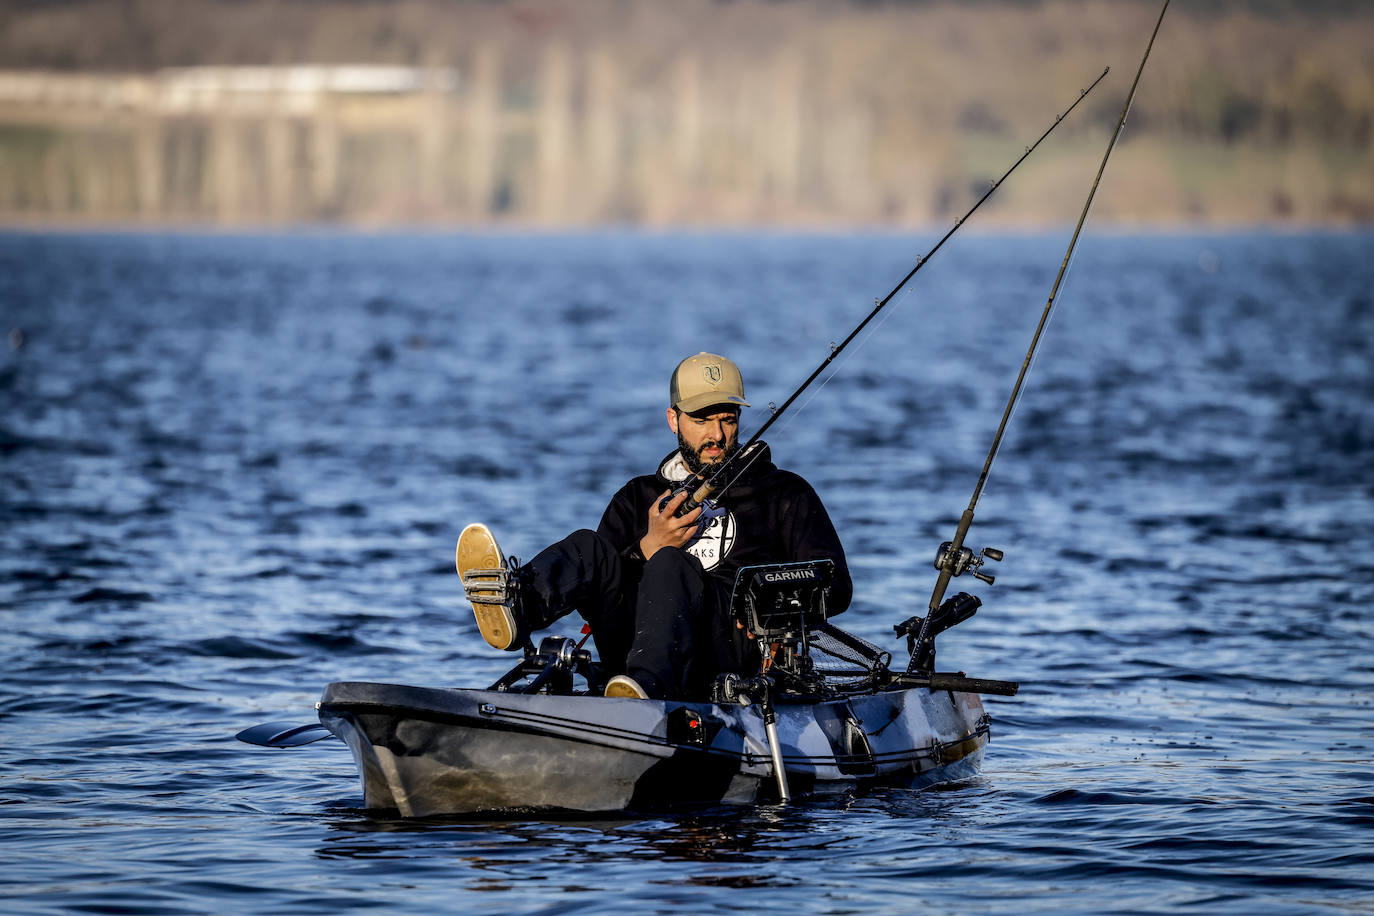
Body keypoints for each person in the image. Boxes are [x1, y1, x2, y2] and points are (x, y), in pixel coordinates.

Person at [457, 352, 851, 701]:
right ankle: (516, 605)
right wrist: (646, 547)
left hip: (730, 650)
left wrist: (767, 607)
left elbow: (837, 588)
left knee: (671, 565)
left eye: (727, 420)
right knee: (588, 546)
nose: (716, 435)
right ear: (673, 419)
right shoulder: (636, 495)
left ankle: (645, 693)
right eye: (700, 419)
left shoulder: (785, 493)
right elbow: (601, 590)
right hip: (633, 642)